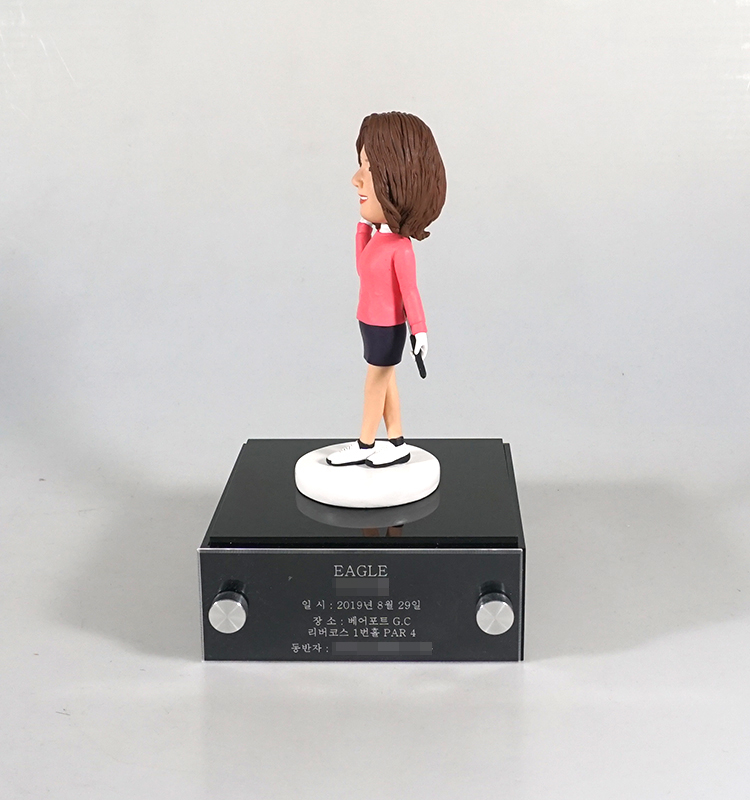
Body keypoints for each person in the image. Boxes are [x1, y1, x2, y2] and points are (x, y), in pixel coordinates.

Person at [327, 112, 446, 468]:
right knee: (386, 378)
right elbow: (363, 269)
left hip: (387, 327)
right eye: (360, 165)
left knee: (375, 383)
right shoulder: (379, 240)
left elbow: (411, 292)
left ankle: (365, 444)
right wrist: (362, 229)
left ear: (399, 181)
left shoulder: (401, 249)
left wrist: (419, 330)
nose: (356, 179)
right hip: (368, 320)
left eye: (369, 168)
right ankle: (397, 442)